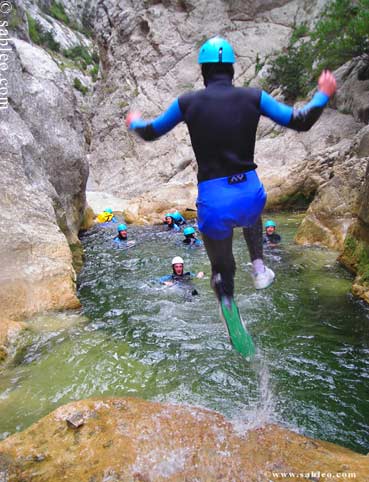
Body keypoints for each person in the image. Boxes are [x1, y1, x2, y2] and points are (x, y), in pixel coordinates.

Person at [126, 37, 336, 352]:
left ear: (203, 71)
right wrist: (323, 93)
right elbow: (300, 121)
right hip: (250, 191)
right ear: (232, 69)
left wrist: (134, 122)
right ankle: (260, 268)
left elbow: (151, 131)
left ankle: (226, 300)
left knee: (223, 269)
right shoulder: (254, 97)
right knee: (252, 211)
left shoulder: (187, 103)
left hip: (214, 200)